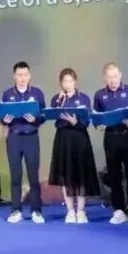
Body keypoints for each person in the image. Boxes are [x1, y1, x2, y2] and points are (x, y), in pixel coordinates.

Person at [93, 63, 128, 225]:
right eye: (109, 77)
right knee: (114, 175)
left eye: (115, 76)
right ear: (105, 78)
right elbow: (96, 116)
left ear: (120, 75)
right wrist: (98, 124)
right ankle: (118, 210)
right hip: (111, 138)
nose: (113, 80)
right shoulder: (100, 95)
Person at [47, 68, 98, 224]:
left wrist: (76, 122)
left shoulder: (83, 98)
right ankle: (70, 211)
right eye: (64, 81)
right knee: (66, 174)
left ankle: (81, 211)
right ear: (61, 83)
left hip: (80, 138)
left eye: (70, 81)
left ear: (75, 81)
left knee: (81, 175)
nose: (67, 84)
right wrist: (59, 102)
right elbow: (52, 115)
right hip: (63, 139)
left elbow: (87, 121)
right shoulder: (57, 98)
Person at [0, 61, 46, 224]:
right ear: (14, 76)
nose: (22, 78)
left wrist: (35, 119)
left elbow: (43, 116)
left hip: (31, 137)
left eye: (25, 74)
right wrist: (4, 120)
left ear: (29, 75)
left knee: (33, 175)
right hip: (14, 137)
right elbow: (2, 117)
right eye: (19, 75)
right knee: (16, 175)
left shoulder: (37, 93)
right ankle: (16, 210)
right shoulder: (7, 94)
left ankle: (36, 211)